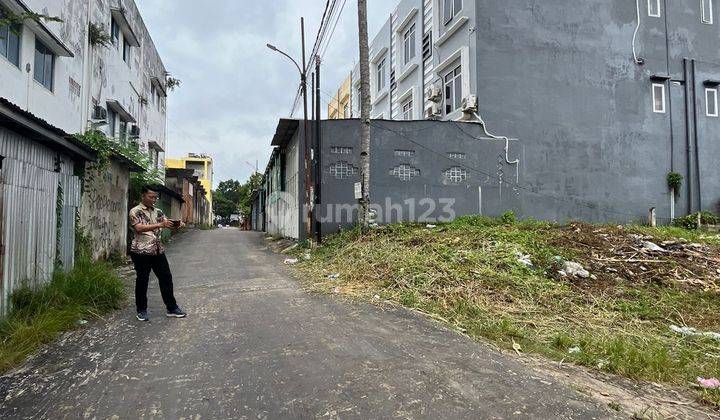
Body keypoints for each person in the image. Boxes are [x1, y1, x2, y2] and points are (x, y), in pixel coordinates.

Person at [129, 185, 187, 321]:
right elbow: (138, 228)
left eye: (155, 197)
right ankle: (141, 310)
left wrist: (176, 226)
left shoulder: (158, 212)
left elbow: (166, 225)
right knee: (142, 280)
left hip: (157, 250)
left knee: (166, 277)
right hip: (141, 251)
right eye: (151, 197)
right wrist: (160, 225)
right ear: (143, 196)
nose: (154, 199)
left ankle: (172, 308)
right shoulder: (135, 211)